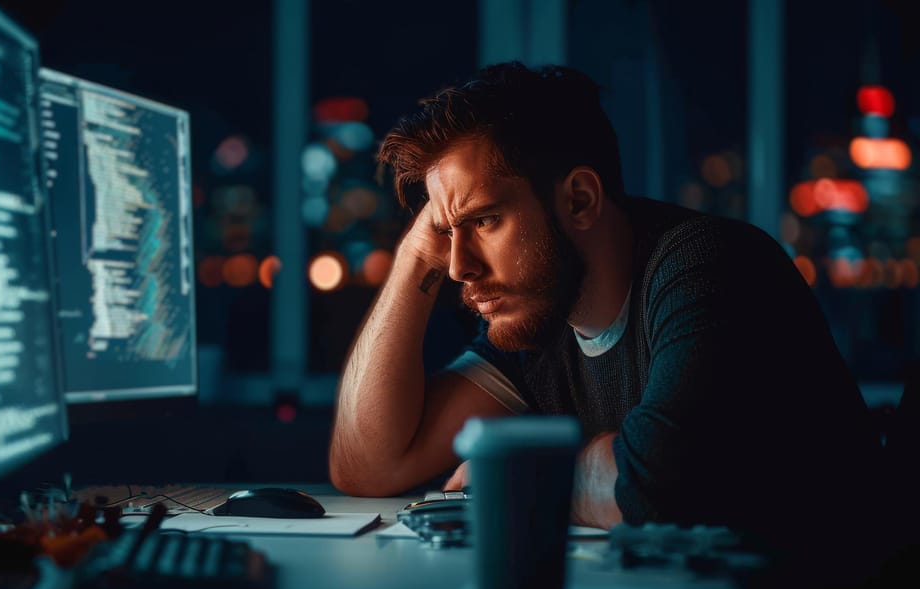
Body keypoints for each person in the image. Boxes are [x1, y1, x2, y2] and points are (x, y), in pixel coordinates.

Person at [328, 61, 882, 545]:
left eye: (484, 221)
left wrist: (515, 473)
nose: (458, 266)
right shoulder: (538, 321)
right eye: (448, 233)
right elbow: (371, 467)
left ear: (579, 198)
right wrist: (412, 258)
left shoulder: (708, 265)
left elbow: (660, 481)